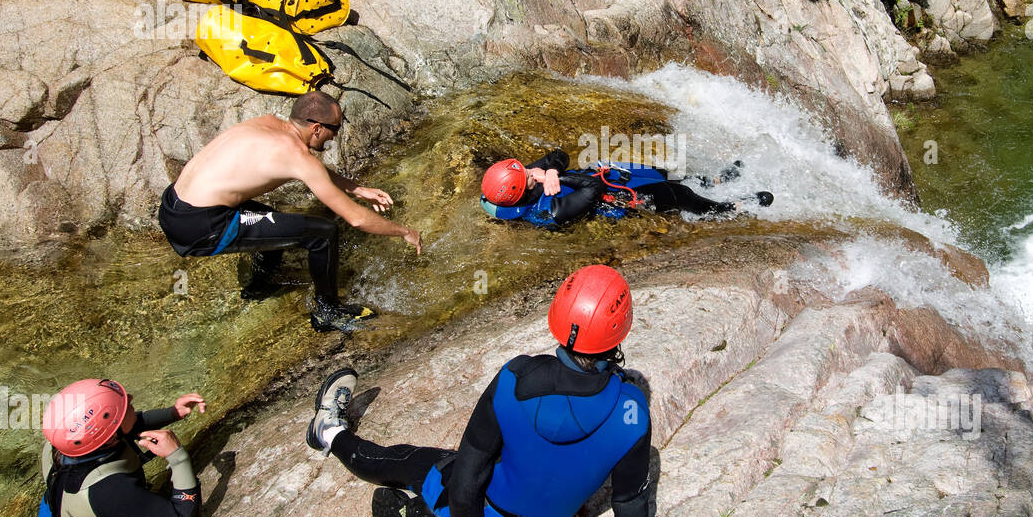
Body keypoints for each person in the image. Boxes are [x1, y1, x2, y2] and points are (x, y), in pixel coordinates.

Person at [305, 264, 691, 517]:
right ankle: (417, 510)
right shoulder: (633, 414)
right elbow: (629, 504)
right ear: (620, 330)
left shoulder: (515, 378)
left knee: (409, 461)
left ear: (557, 317)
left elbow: (469, 476)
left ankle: (328, 432)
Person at [158, 90, 422, 332]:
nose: (336, 135)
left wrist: (356, 189)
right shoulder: (297, 155)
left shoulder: (267, 123)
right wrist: (405, 232)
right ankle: (328, 311)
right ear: (317, 128)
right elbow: (356, 218)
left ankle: (261, 283)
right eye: (336, 128)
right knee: (323, 233)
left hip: (174, 204)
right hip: (201, 226)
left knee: (273, 223)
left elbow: (309, 170)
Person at [17, 378, 206, 517]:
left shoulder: (62, 443)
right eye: (123, 406)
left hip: (59, 511)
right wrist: (178, 457)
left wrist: (173, 412)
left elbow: (120, 426)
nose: (131, 398)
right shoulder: (110, 492)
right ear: (109, 436)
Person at [480, 150, 772, 229]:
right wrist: (555, 180)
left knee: (662, 173)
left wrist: (552, 171)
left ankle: (716, 180)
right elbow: (592, 189)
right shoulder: (551, 211)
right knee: (679, 196)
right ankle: (730, 208)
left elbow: (558, 155)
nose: (533, 170)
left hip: (604, 178)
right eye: (530, 176)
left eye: (527, 167)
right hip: (615, 202)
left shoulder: (518, 180)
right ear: (522, 192)